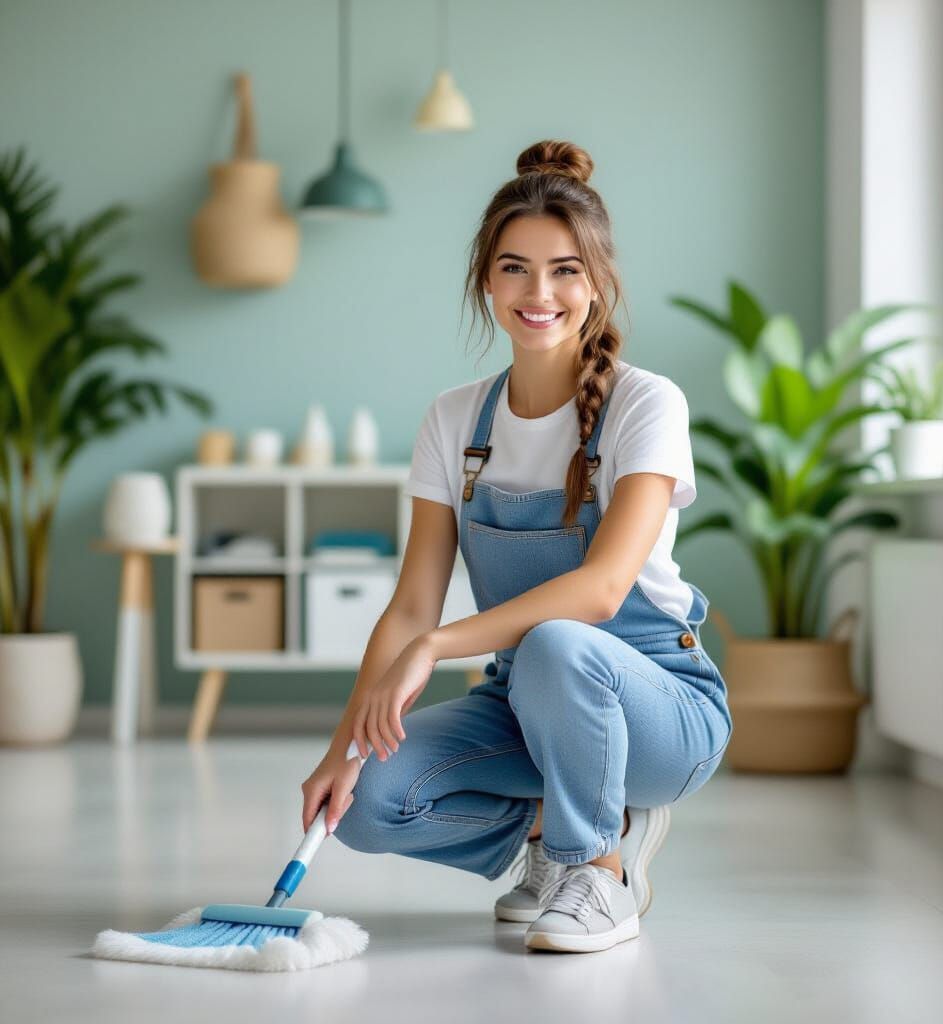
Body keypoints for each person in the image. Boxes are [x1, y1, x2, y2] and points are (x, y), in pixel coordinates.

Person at [301, 139, 732, 954]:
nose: (540, 293)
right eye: (514, 268)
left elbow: (603, 590)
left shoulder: (647, 405)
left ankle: (597, 868)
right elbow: (411, 605)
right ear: (485, 281)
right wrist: (341, 747)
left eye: (566, 269)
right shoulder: (455, 419)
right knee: (363, 801)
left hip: (661, 715)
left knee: (558, 645)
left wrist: (437, 646)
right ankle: (553, 834)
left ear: (598, 282)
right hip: (525, 711)